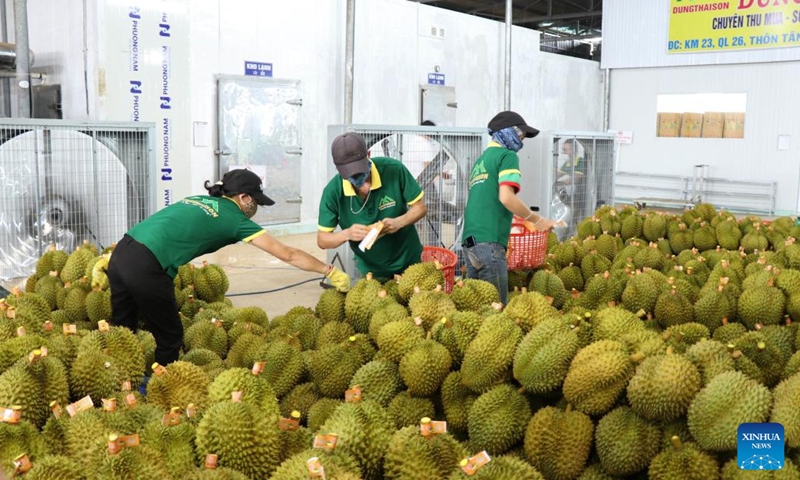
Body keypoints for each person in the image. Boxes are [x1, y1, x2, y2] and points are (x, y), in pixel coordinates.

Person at [104, 168, 351, 366]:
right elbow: (289, 254)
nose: (256, 208)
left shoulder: (198, 199)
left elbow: (162, 227)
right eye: (256, 202)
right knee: (170, 337)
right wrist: (328, 270)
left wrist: (109, 259)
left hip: (122, 252)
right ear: (244, 198)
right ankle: (160, 392)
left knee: (123, 329)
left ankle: (118, 381)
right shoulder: (235, 220)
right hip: (148, 267)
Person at [462, 111, 560, 305]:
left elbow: (486, 200)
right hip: (489, 243)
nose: (522, 140)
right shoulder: (507, 156)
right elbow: (506, 197)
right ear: (508, 132)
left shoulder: (481, 161)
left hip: (470, 242)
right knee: (497, 312)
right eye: (521, 134)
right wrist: (537, 220)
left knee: (475, 308)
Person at [317, 132, 428, 281]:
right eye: (350, 174)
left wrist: (399, 222)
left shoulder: (394, 169)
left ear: (368, 155)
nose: (357, 178)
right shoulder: (333, 192)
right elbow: (322, 240)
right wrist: (347, 234)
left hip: (410, 262)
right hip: (370, 271)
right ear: (338, 169)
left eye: (359, 170)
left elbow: (420, 208)